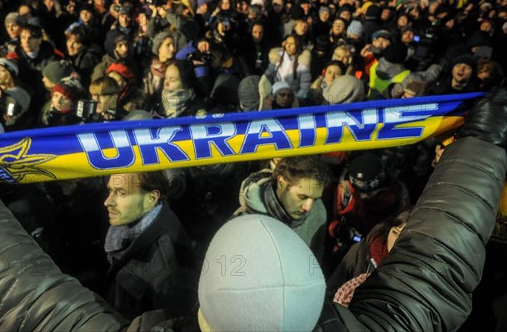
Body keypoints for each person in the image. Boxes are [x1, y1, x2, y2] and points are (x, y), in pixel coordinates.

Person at [196, 88, 507, 331]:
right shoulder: (243, 217)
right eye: (302, 195)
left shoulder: (318, 214)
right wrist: (482, 145)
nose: (309, 206)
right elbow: (432, 271)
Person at [102, 171, 197, 319]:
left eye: (121, 193)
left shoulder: (167, 268)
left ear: (151, 199)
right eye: (110, 190)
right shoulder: (129, 223)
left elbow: (170, 323)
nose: (107, 201)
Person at [235, 156, 333, 263]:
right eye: (302, 197)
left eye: (315, 199)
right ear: (281, 183)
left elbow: (315, 255)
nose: (308, 207)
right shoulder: (243, 223)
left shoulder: (318, 211)